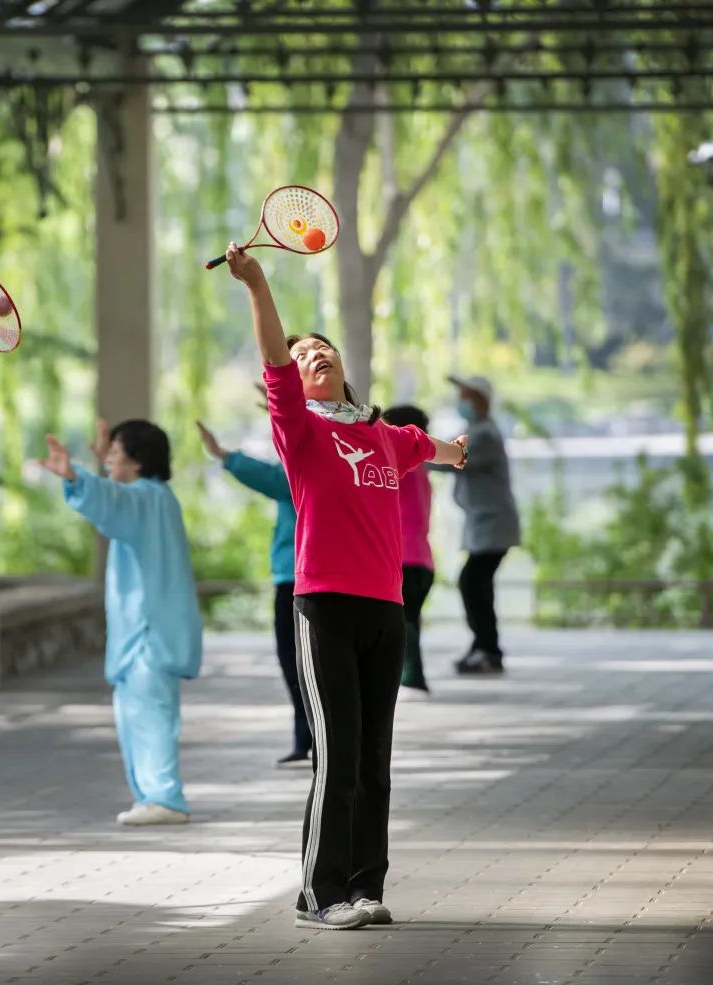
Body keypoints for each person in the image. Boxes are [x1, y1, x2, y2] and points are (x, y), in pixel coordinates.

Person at [224, 241, 468, 931]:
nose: (315, 356)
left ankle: (365, 887)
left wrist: (454, 451)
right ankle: (319, 893)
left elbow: (433, 447)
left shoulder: (387, 435)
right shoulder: (298, 431)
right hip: (324, 607)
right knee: (336, 756)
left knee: (375, 761)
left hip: (385, 610)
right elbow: (273, 355)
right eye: (305, 357)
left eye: (323, 349)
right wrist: (258, 285)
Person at [40, 418, 202, 826]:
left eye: (116, 452)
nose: (109, 458)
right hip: (149, 636)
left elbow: (114, 503)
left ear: (137, 460)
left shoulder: (145, 498)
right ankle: (153, 796)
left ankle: (164, 797)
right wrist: (98, 475)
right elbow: (114, 501)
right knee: (141, 719)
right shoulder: (155, 497)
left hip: (150, 637)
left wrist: (77, 477)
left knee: (151, 719)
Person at [195, 419, 312, 767]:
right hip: (304, 576)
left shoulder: (303, 468)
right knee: (302, 664)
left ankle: (313, 739)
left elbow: (271, 478)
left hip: (298, 579)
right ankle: (308, 739)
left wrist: (225, 456)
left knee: (300, 663)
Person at [443, 375, 520, 675]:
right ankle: (483, 647)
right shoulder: (474, 430)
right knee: (476, 585)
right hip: (483, 524)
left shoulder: (485, 434)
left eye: (466, 396)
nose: (461, 402)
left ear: (481, 401)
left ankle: (488, 649)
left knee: (473, 583)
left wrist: (412, 452)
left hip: (493, 525)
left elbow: (452, 457)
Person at [381, 405, 435, 694]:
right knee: (409, 618)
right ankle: (411, 676)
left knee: (403, 622)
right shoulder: (420, 469)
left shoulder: (403, 467)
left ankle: (412, 677)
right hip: (421, 559)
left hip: (404, 559)